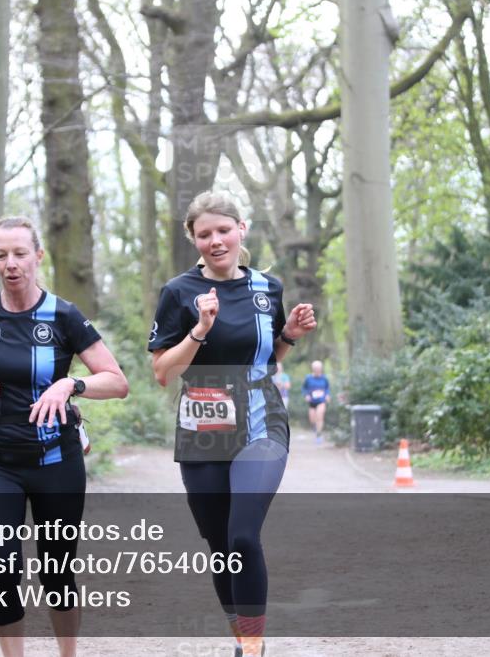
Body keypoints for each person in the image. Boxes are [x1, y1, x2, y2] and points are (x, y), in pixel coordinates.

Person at [0, 217, 128, 657]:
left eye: (20, 254)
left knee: (57, 573)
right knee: (1, 569)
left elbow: (117, 381)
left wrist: (71, 384)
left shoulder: (63, 315)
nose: (11, 264)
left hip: (56, 461)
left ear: (38, 256)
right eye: (1, 255)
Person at [148, 192, 317, 657]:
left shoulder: (269, 288)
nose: (215, 241)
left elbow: (270, 358)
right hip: (203, 426)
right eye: (204, 234)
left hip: (262, 420)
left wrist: (290, 336)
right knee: (220, 543)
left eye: (223, 230)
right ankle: (242, 636)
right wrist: (199, 329)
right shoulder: (179, 292)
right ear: (193, 240)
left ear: (242, 229)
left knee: (243, 535)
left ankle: (254, 646)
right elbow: (163, 373)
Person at [301, 360, 330, 444]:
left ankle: (319, 434)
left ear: (321, 369)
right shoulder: (308, 378)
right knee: (312, 419)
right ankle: (315, 428)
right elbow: (304, 388)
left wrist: (327, 395)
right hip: (312, 402)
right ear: (313, 369)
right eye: (316, 368)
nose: (317, 370)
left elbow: (327, 388)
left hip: (321, 400)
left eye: (319, 368)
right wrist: (306, 395)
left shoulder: (324, 378)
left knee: (320, 416)